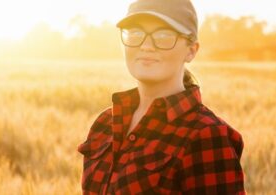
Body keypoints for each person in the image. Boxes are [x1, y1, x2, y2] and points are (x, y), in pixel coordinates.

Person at [77, 0, 246, 194]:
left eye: (164, 35)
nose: (146, 45)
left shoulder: (205, 135)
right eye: (135, 33)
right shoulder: (105, 123)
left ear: (191, 50)